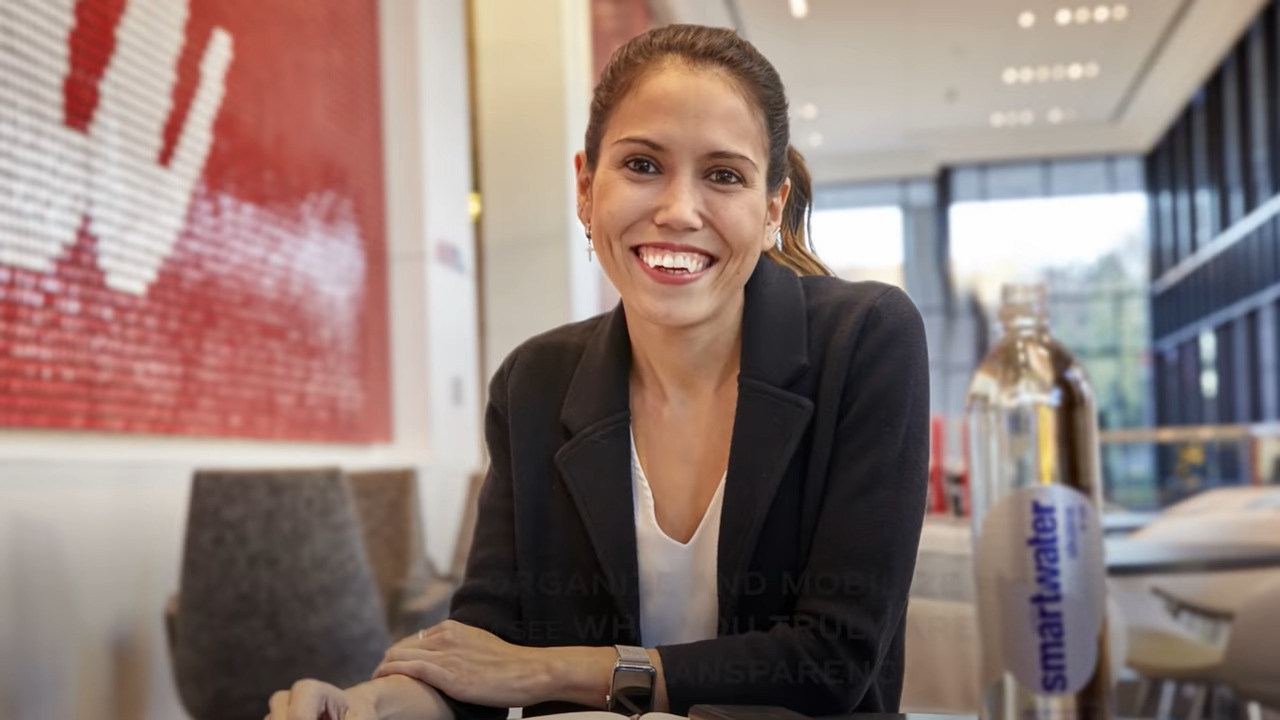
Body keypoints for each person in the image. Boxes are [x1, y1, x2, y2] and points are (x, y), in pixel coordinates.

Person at [266, 23, 929, 720]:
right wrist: (364, 706)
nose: (678, 211)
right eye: (642, 165)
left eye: (724, 176)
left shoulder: (865, 341)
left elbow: (832, 662)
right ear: (586, 188)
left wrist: (553, 670)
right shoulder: (536, 381)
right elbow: (486, 650)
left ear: (770, 212)